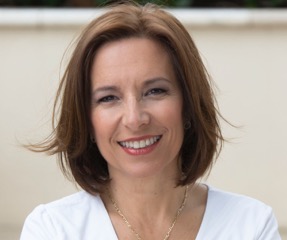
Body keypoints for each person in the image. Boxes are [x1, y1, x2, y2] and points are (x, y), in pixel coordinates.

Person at [20, 2, 281, 240]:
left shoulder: (251, 225)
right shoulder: (52, 229)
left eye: (155, 91)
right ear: (86, 120)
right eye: (109, 98)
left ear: (188, 105)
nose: (135, 119)